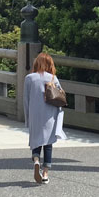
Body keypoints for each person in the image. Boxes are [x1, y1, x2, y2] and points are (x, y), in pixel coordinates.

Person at [24, 51, 65, 184]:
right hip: (50, 114)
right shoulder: (53, 78)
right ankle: (45, 173)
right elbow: (60, 97)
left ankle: (36, 160)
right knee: (48, 143)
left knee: (36, 139)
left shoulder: (29, 78)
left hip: (35, 113)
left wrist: (27, 117)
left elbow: (26, 99)